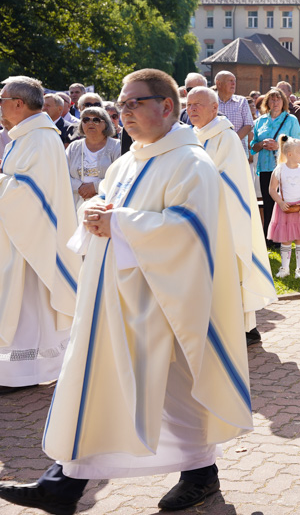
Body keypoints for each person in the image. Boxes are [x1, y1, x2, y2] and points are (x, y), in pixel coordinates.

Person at [0, 68, 253, 514]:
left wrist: (119, 223)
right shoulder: (126, 161)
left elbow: (193, 233)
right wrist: (97, 213)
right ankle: (65, 483)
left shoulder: (191, 164)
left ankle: (198, 474)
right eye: (123, 102)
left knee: (176, 389)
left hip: (163, 306)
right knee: (98, 386)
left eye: (135, 102)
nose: (124, 110)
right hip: (112, 299)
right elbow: (108, 213)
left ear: (166, 107)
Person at [0, 76, 81, 395]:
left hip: (33, 242)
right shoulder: (27, 136)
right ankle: (24, 370)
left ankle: (22, 372)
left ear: (18, 104)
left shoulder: (40, 139)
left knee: (26, 304)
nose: (0, 107)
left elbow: (31, 195)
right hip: (21, 237)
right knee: (26, 306)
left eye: (2, 99)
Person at [187, 86, 277, 347]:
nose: (191, 110)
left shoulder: (225, 137)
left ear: (215, 109)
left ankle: (245, 327)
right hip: (200, 217)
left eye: (198, 105)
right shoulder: (192, 135)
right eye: (189, 105)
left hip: (224, 218)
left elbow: (231, 182)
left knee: (231, 270)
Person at [250, 88, 300, 246]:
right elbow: (253, 147)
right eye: (272, 100)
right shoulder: (260, 121)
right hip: (266, 167)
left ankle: (285, 237)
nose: (275, 103)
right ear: (267, 103)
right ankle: (270, 238)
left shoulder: (290, 120)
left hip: (285, 166)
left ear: (284, 102)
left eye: (278, 99)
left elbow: (299, 142)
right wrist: (261, 144)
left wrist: (279, 146)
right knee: (268, 203)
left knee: (285, 202)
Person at [268, 137, 300, 278]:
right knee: (286, 239)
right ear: (289, 154)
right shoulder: (280, 169)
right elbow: (272, 189)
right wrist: (280, 202)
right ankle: (285, 268)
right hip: (285, 209)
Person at [65, 106, 121, 211]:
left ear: (106, 124)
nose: (90, 123)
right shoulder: (74, 147)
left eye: (96, 120)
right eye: (86, 120)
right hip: (76, 202)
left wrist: (95, 187)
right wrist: (79, 187)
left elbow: (120, 176)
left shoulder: (117, 146)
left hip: (105, 204)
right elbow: (62, 173)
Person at [215, 71, 254, 158]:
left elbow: (248, 125)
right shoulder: (210, 101)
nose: (233, 83)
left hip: (238, 153)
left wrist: (231, 141)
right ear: (219, 83)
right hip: (215, 152)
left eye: (234, 81)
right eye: (230, 80)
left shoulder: (242, 101)